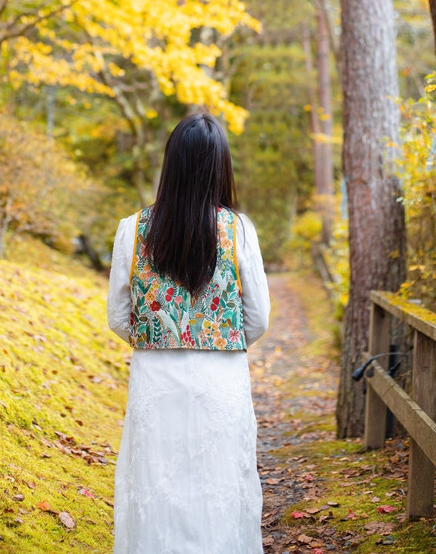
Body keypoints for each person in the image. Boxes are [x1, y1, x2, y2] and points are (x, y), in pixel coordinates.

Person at [107, 112, 270, 554]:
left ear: (171, 163)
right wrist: (219, 337)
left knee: (156, 487)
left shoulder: (134, 229)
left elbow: (119, 316)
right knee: (218, 486)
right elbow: (258, 317)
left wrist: (157, 337)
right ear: (221, 166)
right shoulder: (238, 230)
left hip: (155, 380)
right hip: (221, 380)